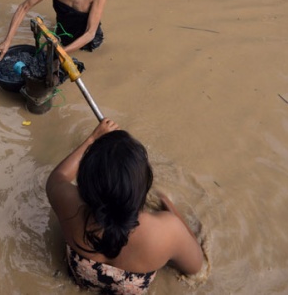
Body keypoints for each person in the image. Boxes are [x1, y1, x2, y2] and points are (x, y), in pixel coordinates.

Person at [46, 119, 204, 293]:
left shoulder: (69, 204)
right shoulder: (166, 231)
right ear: (143, 187)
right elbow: (196, 267)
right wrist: (172, 211)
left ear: (85, 182)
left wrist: (92, 139)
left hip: (80, 278)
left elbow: (58, 176)